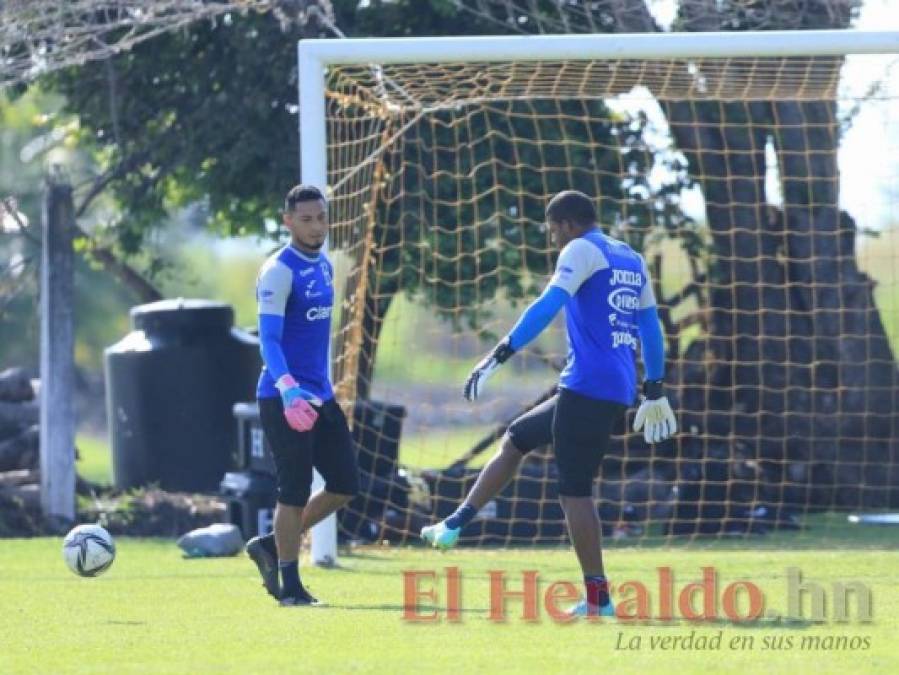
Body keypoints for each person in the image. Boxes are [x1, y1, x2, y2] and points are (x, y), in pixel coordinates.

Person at [420, 190, 676, 617]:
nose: (552, 237)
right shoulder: (630, 257)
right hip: (607, 385)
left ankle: (598, 599)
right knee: (517, 438)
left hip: (588, 387)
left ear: (566, 225)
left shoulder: (580, 248)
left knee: (575, 492)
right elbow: (649, 324)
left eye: (552, 229)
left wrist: (499, 354)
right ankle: (453, 525)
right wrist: (654, 384)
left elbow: (548, 304)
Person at [246, 184, 359, 607]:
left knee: (346, 483)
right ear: (287, 221)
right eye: (306, 219)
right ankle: (290, 587)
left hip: (321, 397)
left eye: (322, 218)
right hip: (283, 397)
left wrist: (316, 392)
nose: (316, 227)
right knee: (292, 491)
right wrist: (289, 388)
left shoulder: (325, 266)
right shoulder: (278, 271)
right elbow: (269, 340)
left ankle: (273, 546)